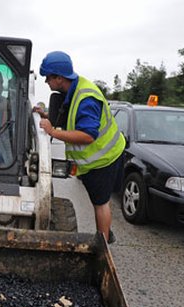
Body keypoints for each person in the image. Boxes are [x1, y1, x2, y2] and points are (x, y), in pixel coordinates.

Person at [33, 51, 125, 244]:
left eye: (48, 78)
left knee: (100, 204)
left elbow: (88, 135)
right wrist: (46, 116)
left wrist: (52, 132)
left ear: (59, 78)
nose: (46, 82)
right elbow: (68, 119)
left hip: (104, 159)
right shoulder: (71, 91)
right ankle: (106, 230)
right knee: (99, 202)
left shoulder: (86, 99)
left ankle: (102, 247)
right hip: (96, 160)